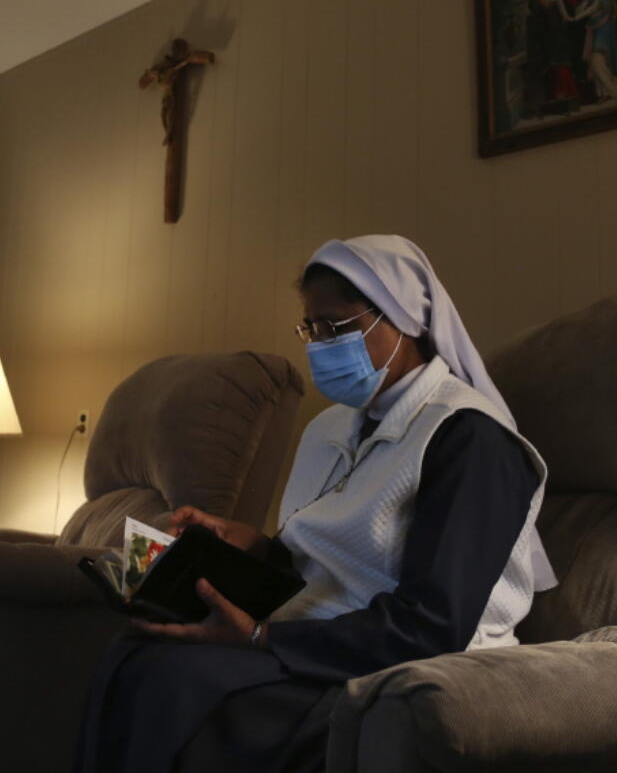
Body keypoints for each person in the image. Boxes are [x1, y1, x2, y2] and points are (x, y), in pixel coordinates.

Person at [75, 235, 556, 773]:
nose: (321, 345)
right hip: (307, 638)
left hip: (403, 664)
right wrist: (249, 543)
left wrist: (260, 637)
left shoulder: (470, 440)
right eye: (312, 329)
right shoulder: (329, 428)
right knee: (132, 650)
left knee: (174, 677)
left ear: (406, 319)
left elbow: (433, 624)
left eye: (338, 327)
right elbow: (321, 563)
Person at [526, 0, 592, 114]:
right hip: (558, 24)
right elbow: (535, 1)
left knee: (584, 50)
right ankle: (566, 94)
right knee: (559, 49)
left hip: (581, 17)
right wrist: (545, 1)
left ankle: (587, 93)